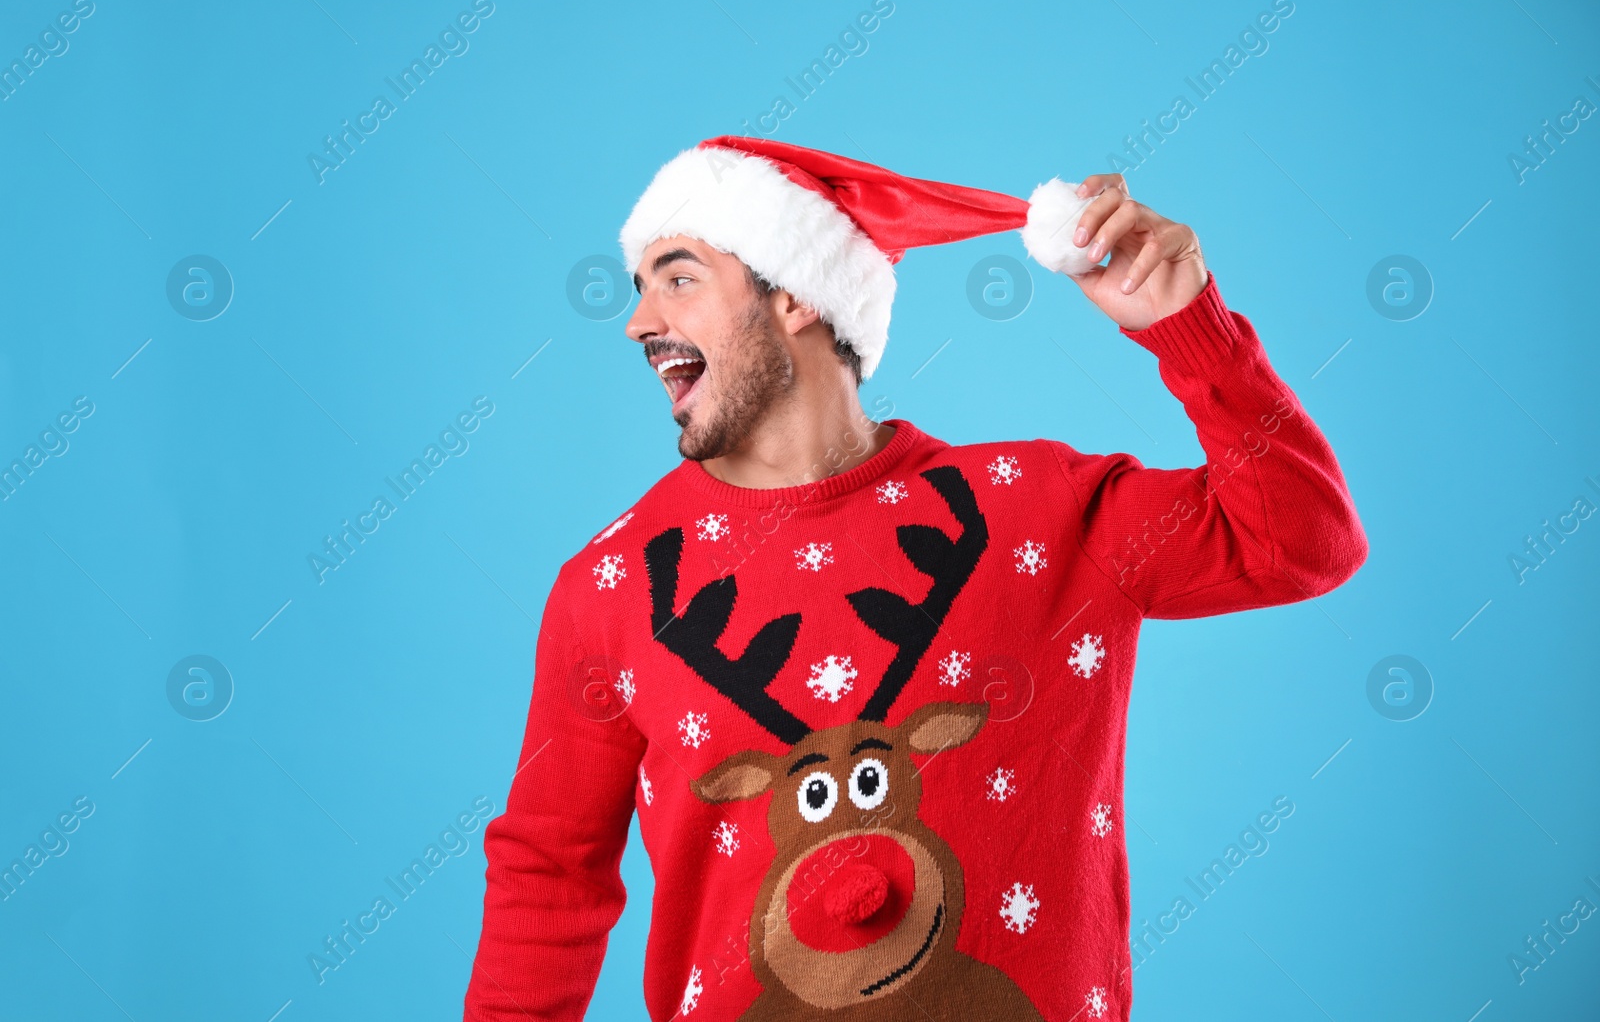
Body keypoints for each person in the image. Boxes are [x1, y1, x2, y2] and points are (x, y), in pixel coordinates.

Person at [462, 136, 1367, 1021]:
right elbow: (549, 877)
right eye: (641, 285)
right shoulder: (616, 587)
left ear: (795, 299)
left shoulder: (1040, 513)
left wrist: (1192, 333)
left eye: (679, 275)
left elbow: (1305, 538)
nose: (639, 321)